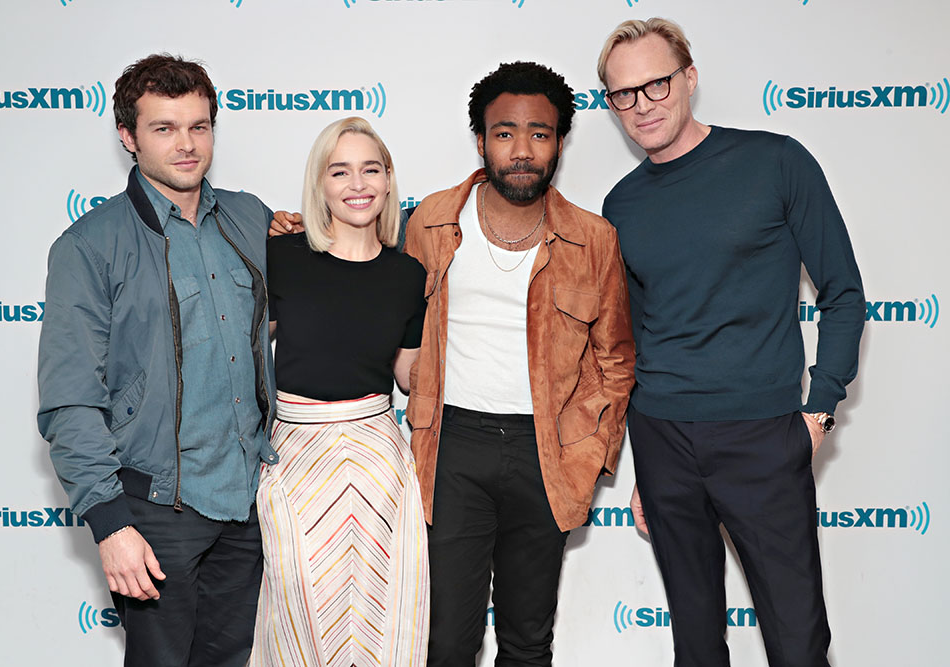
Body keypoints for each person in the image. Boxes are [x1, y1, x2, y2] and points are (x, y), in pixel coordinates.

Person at [597, 18, 865, 667]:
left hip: (761, 436)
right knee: (694, 642)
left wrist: (819, 408)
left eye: (655, 84)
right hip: (663, 441)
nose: (642, 105)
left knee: (798, 641)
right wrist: (641, 466)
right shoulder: (621, 205)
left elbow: (844, 292)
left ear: (689, 77)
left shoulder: (775, 162)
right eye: (623, 94)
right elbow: (633, 339)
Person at [37, 54, 277, 667]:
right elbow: (70, 398)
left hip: (246, 502)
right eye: (164, 128)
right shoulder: (89, 246)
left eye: (199, 126)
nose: (187, 144)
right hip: (153, 510)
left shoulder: (250, 219)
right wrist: (109, 522)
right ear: (128, 137)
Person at [405, 61, 636, 666]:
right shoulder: (430, 222)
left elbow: (615, 360)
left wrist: (592, 454)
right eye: (505, 132)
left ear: (559, 141)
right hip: (452, 447)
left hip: (548, 452)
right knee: (446, 641)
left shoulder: (594, 239)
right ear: (481, 140)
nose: (523, 149)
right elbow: (360, 268)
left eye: (540, 132)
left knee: (528, 641)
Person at [249, 117, 430, 667]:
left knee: (383, 622)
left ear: (389, 179)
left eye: (371, 169)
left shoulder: (408, 274)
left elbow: (408, 376)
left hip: (380, 464)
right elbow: (245, 349)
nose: (358, 184)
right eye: (341, 170)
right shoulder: (280, 257)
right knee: (297, 617)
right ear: (320, 183)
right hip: (296, 458)